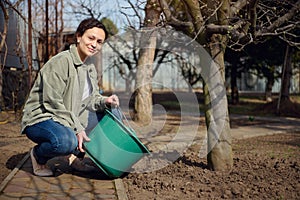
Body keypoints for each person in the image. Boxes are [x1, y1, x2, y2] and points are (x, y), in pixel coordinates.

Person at [21, 18, 119, 176]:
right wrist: (78, 128)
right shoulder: (61, 62)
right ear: (79, 36)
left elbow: (91, 99)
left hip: (66, 118)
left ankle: (76, 157)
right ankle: (38, 156)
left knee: (111, 114)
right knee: (66, 141)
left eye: (99, 41)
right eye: (91, 38)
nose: (94, 44)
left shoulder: (90, 68)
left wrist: (105, 101)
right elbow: (52, 103)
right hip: (42, 117)